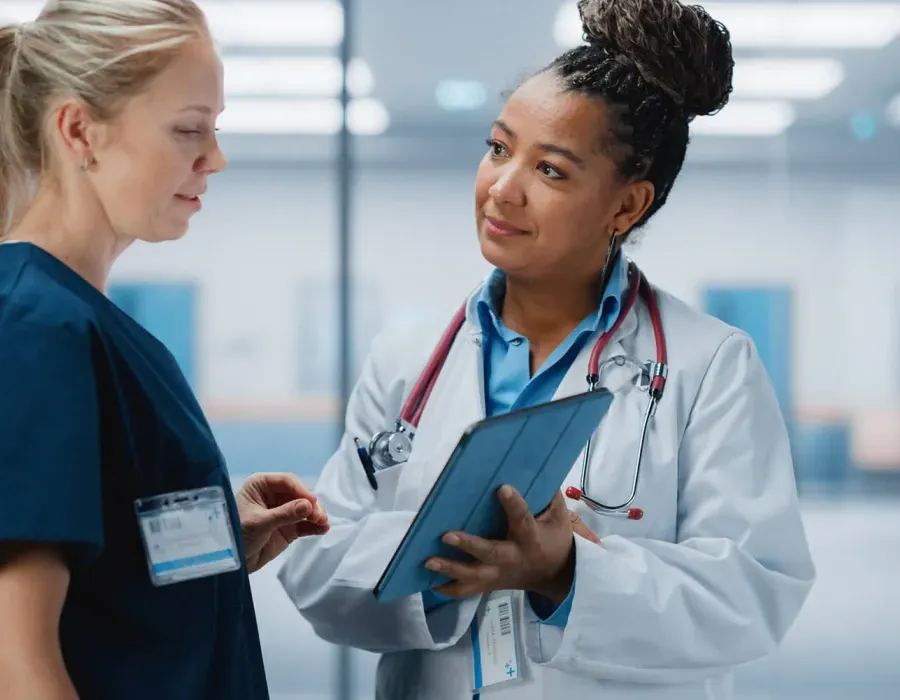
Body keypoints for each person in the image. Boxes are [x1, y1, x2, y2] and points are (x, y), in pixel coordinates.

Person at [277, 1, 816, 698]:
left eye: (551, 171)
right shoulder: (407, 360)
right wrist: (453, 559)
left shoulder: (709, 364)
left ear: (627, 206)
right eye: (499, 148)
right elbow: (318, 565)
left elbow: (754, 595)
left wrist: (563, 572)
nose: (502, 188)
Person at [0, 3, 328, 700]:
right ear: (79, 130)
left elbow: (101, 570)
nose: (215, 158)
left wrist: (215, 540)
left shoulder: (86, 322)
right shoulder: (36, 326)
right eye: (189, 130)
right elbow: (16, 661)